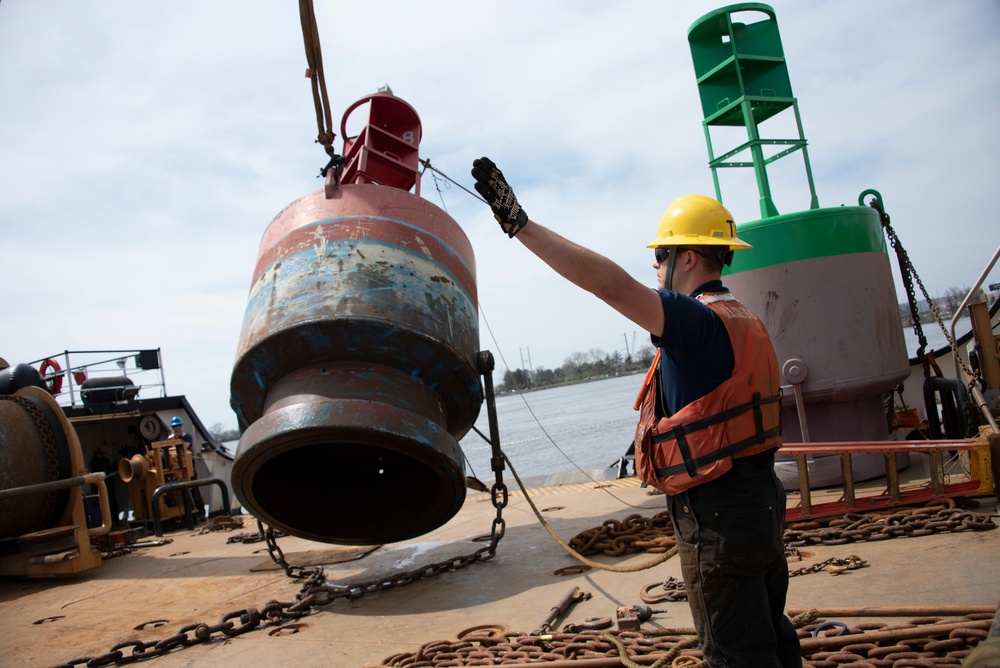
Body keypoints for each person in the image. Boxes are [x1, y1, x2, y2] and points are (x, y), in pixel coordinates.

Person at [471, 157, 801, 668]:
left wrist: (523, 227)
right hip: (760, 502)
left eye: (659, 256)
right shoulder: (744, 318)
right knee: (769, 638)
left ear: (687, 257)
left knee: (736, 654)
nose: (653, 267)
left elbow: (611, 285)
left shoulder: (698, 323)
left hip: (719, 516)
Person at [168, 416, 204, 522]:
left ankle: (201, 512)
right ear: (172, 427)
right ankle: (189, 515)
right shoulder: (169, 439)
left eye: (178, 426)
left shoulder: (187, 437)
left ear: (181, 426)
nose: (177, 428)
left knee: (195, 490)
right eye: (174, 426)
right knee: (180, 493)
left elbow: (184, 447)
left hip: (189, 468)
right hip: (176, 470)